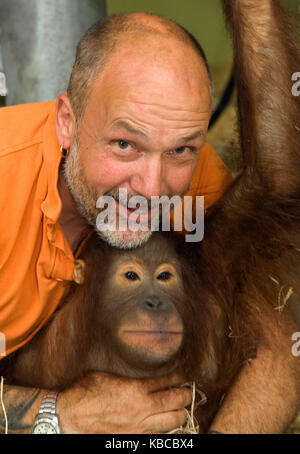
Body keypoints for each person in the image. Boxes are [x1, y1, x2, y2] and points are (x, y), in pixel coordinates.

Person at [0, 6, 299, 434]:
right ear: (67, 123)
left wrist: (251, 9)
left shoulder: (186, 188)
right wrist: (62, 414)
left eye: (181, 149)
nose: (152, 189)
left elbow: (275, 181)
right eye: (125, 143)